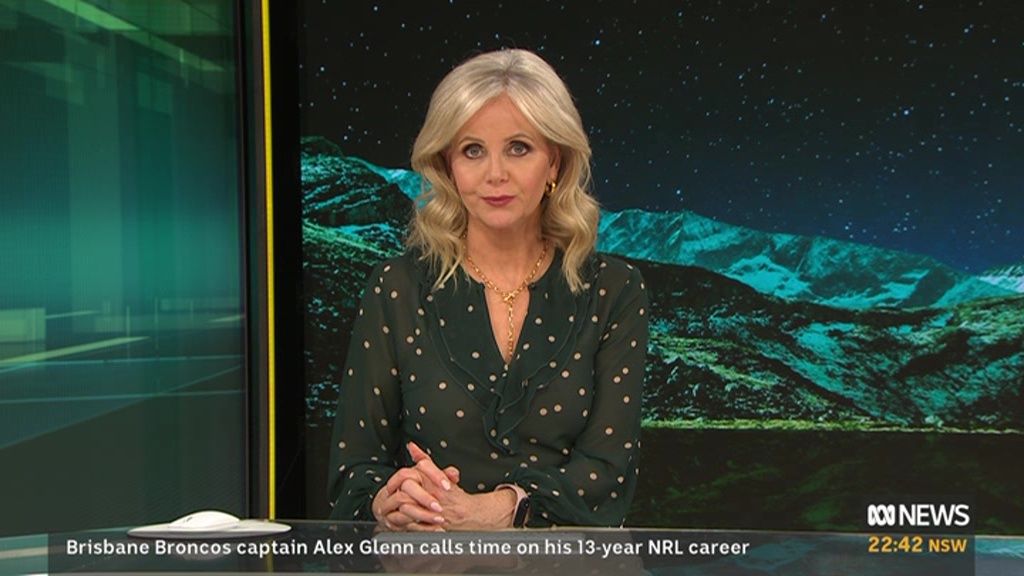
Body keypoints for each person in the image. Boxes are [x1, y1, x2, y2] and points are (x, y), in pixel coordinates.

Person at [327, 49, 649, 530]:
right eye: (472, 150)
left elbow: (609, 473)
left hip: (567, 560)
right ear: (447, 166)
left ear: (555, 162)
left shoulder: (614, 290)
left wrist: (497, 510)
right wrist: (389, 499)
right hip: (430, 556)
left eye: (518, 148)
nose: (495, 173)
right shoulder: (396, 287)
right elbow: (354, 471)